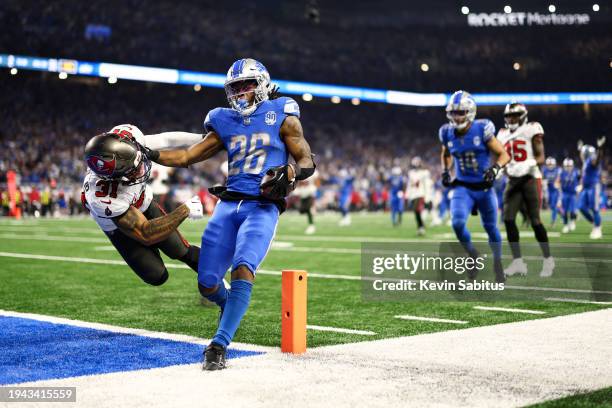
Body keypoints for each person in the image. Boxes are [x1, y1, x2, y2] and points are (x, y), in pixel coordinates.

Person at [143, 58, 316, 370]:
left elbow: (306, 161)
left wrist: (290, 170)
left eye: (246, 85)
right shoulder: (223, 120)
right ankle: (228, 305)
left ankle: (219, 345)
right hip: (227, 205)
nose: (239, 93)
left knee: (243, 267)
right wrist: (150, 154)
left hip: (261, 206)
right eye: (234, 88)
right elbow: (186, 156)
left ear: (261, 85)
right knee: (207, 283)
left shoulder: (283, 114)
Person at [82, 124, 204, 287]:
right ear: (114, 177)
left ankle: (217, 285)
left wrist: (204, 139)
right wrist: (184, 210)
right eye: (132, 170)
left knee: (181, 251)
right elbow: (146, 233)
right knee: (156, 275)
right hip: (118, 225)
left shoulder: (128, 138)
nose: (141, 169)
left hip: (144, 203)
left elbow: (166, 139)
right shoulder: (102, 197)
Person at [439, 90, 510, 282]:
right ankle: (473, 255)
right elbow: (446, 153)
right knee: (457, 223)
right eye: (453, 112)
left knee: (491, 228)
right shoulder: (446, 132)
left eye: (460, 112)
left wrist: (495, 169)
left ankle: (497, 263)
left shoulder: (482, 129)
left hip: (484, 187)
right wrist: (446, 170)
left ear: (470, 112)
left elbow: (504, 155)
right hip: (463, 187)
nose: (456, 116)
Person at [496, 102, 554, 278]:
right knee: (508, 219)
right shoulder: (502, 134)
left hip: (529, 178)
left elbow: (541, 157)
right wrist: (500, 169)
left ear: (522, 116)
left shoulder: (532, 129)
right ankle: (518, 262)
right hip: (513, 180)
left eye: (514, 115)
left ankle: (548, 260)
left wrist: (528, 164)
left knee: (536, 220)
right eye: (508, 116)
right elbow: (501, 157)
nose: (511, 119)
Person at [577, 137, 606, 239]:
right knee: (581, 207)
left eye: (583, 153)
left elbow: (597, 160)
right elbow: (582, 156)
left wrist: (600, 148)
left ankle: (597, 229)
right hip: (585, 188)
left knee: (595, 209)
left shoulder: (592, 160)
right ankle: (595, 222)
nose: (581, 154)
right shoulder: (585, 162)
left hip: (593, 187)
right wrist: (580, 149)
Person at [407, 157, 430, 235]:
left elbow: (426, 185)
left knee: (417, 210)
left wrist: (427, 196)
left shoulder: (424, 173)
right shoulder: (411, 173)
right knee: (416, 212)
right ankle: (421, 226)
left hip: (420, 194)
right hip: (413, 194)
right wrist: (408, 194)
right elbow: (409, 185)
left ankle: (421, 227)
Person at [294, 168, 319, 234]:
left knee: (309, 210)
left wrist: (313, 206)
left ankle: (311, 225)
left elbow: (316, 181)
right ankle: (311, 222)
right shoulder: (300, 171)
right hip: (303, 195)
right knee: (302, 210)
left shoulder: (311, 186)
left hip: (309, 195)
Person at [560, 158, 579, 234]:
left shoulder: (576, 172)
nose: (568, 167)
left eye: (569, 166)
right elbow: (558, 182)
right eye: (567, 166)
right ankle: (565, 225)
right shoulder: (561, 173)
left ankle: (572, 222)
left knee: (572, 210)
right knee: (564, 211)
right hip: (565, 193)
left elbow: (580, 180)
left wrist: (579, 188)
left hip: (573, 194)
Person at [542, 157, 561, 227]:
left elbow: (559, 179)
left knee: (554, 206)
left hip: (555, 190)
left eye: (551, 164)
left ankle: (553, 221)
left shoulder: (557, 170)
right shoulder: (544, 170)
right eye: (548, 164)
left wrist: (558, 183)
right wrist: (544, 183)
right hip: (548, 190)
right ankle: (562, 214)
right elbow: (543, 178)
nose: (550, 166)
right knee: (551, 206)